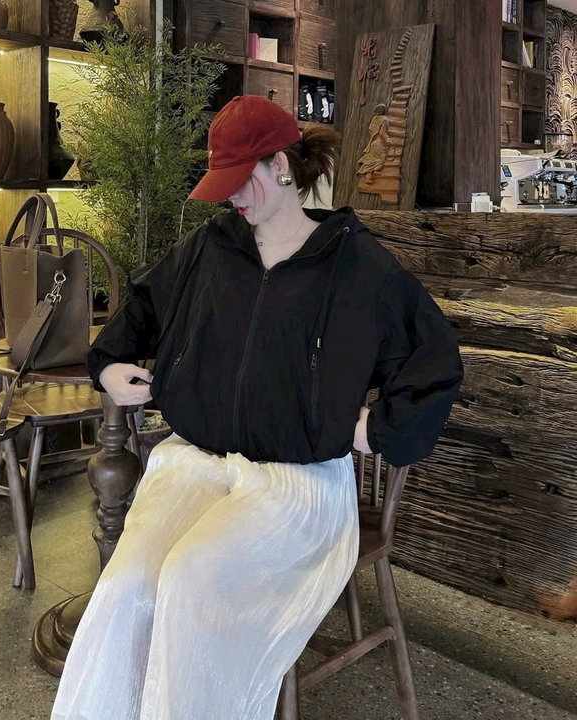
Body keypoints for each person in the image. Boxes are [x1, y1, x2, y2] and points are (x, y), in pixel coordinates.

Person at [51, 94, 463, 720]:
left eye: (243, 180)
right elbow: (139, 307)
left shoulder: (358, 267)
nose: (233, 199)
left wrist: (378, 430)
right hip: (193, 464)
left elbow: (434, 361)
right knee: (127, 586)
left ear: (282, 166)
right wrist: (107, 365)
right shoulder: (210, 249)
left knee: (191, 579)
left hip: (297, 485)